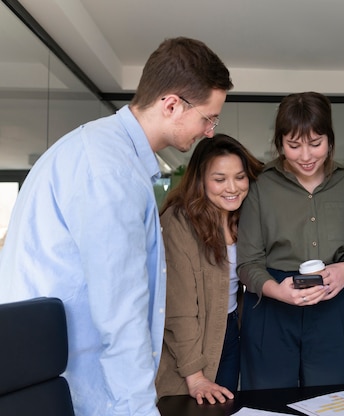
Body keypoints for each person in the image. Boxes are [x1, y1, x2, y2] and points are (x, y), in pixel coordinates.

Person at [0, 37, 232, 415]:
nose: (209, 131)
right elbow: (120, 311)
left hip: (60, 378)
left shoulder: (101, 151)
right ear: (172, 104)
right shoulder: (109, 170)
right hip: (77, 387)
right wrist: (140, 408)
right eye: (208, 118)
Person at [237, 91, 344, 390]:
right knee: (269, 401)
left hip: (331, 304)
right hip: (272, 304)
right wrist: (278, 292)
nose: (306, 157)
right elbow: (247, 263)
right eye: (294, 146)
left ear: (330, 141)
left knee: (333, 401)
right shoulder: (261, 185)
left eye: (316, 144)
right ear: (280, 143)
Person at [155, 135, 263, 404]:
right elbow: (178, 310)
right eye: (219, 179)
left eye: (240, 177)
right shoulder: (179, 221)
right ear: (200, 180)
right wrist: (195, 375)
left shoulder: (244, 216)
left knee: (222, 406)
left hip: (229, 330)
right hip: (189, 337)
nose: (232, 187)